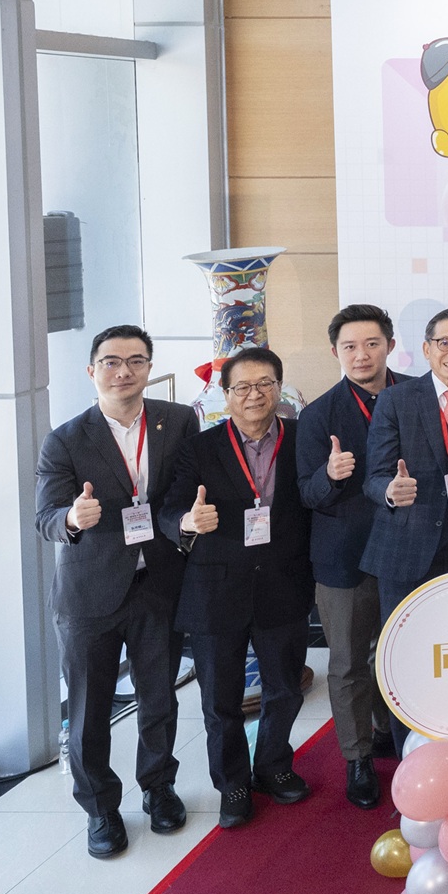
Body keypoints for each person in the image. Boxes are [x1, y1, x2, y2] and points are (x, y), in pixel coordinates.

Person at [34, 326, 196, 857]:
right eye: (111, 362)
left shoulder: (177, 422)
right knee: (88, 711)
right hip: (90, 596)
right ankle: (101, 809)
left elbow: (175, 500)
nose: (123, 370)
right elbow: (46, 518)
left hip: (158, 584)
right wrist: (73, 519)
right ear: (92, 371)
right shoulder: (65, 439)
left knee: (158, 699)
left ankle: (158, 787)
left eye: (135, 360)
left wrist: (186, 524)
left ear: (150, 367)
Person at [157, 347, 315, 829]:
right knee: (219, 701)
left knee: (284, 688)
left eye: (264, 384)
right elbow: (170, 507)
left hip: (284, 585)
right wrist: (186, 521)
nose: (254, 395)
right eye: (242, 387)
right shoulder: (199, 449)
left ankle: (273, 765)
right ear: (226, 395)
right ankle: (233, 783)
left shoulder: (300, 440)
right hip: (215, 593)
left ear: (279, 389)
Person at [362, 305, 448, 754]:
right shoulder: (394, 400)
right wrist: (391, 490)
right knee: (407, 658)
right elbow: (374, 474)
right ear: (426, 348)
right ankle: (413, 755)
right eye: (444, 342)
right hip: (408, 548)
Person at [293, 305, 400, 809]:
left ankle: (394, 734)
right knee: (349, 661)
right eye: (350, 347)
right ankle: (358, 759)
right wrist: (331, 475)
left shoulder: (416, 398)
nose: (362, 355)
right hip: (345, 556)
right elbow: (307, 495)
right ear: (336, 352)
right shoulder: (318, 415)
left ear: (390, 346)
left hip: (407, 551)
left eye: (372, 344)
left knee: (402, 653)